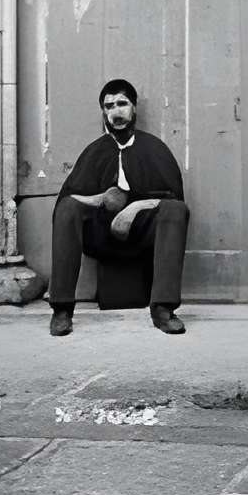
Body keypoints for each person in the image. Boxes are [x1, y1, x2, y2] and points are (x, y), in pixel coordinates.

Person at [48, 77, 190, 336]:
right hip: (101, 234)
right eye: (109, 106)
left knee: (175, 211)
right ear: (103, 112)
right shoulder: (94, 151)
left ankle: (163, 309)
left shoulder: (154, 148)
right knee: (68, 208)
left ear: (134, 108)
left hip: (142, 232)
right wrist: (102, 199)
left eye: (122, 104)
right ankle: (61, 310)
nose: (116, 112)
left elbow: (173, 197)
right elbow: (68, 198)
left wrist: (132, 209)